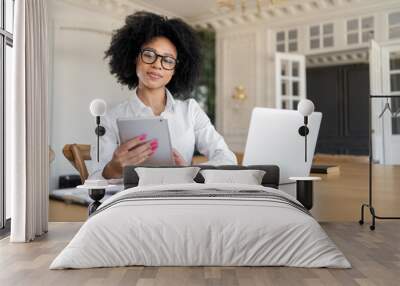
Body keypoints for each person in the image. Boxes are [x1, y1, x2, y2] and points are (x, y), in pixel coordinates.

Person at [90, 11, 237, 180]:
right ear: (134, 58)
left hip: (182, 201)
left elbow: (227, 158)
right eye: (149, 55)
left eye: (167, 60)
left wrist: (190, 171)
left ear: (175, 70)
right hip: (134, 204)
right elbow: (94, 180)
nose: (157, 65)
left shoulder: (191, 111)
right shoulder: (110, 117)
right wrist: (113, 169)